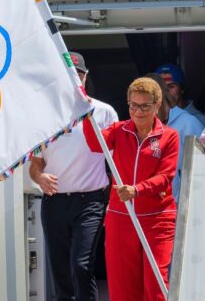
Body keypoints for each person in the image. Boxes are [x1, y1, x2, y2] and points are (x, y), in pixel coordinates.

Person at [29, 51, 118, 301]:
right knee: (60, 271)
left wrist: (113, 201)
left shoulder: (104, 112)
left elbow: (116, 162)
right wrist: (40, 178)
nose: (73, 79)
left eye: (78, 74)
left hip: (90, 201)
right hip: (55, 201)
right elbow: (36, 164)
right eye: (68, 75)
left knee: (82, 266)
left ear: (85, 76)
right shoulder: (45, 116)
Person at [83, 77, 179, 301]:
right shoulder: (118, 130)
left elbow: (166, 177)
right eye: (133, 105)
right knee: (122, 289)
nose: (138, 111)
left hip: (157, 219)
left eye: (145, 106)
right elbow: (95, 144)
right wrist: (86, 117)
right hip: (121, 218)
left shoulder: (169, 136)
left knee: (154, 287)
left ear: (157, 105)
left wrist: (137, 190)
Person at [146, 73, 204, 202]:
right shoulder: (144, 125)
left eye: (145, 103)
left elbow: (200, 171)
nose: (141, 110)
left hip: (181, 207)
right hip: (151, 204)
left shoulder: (189, 122)